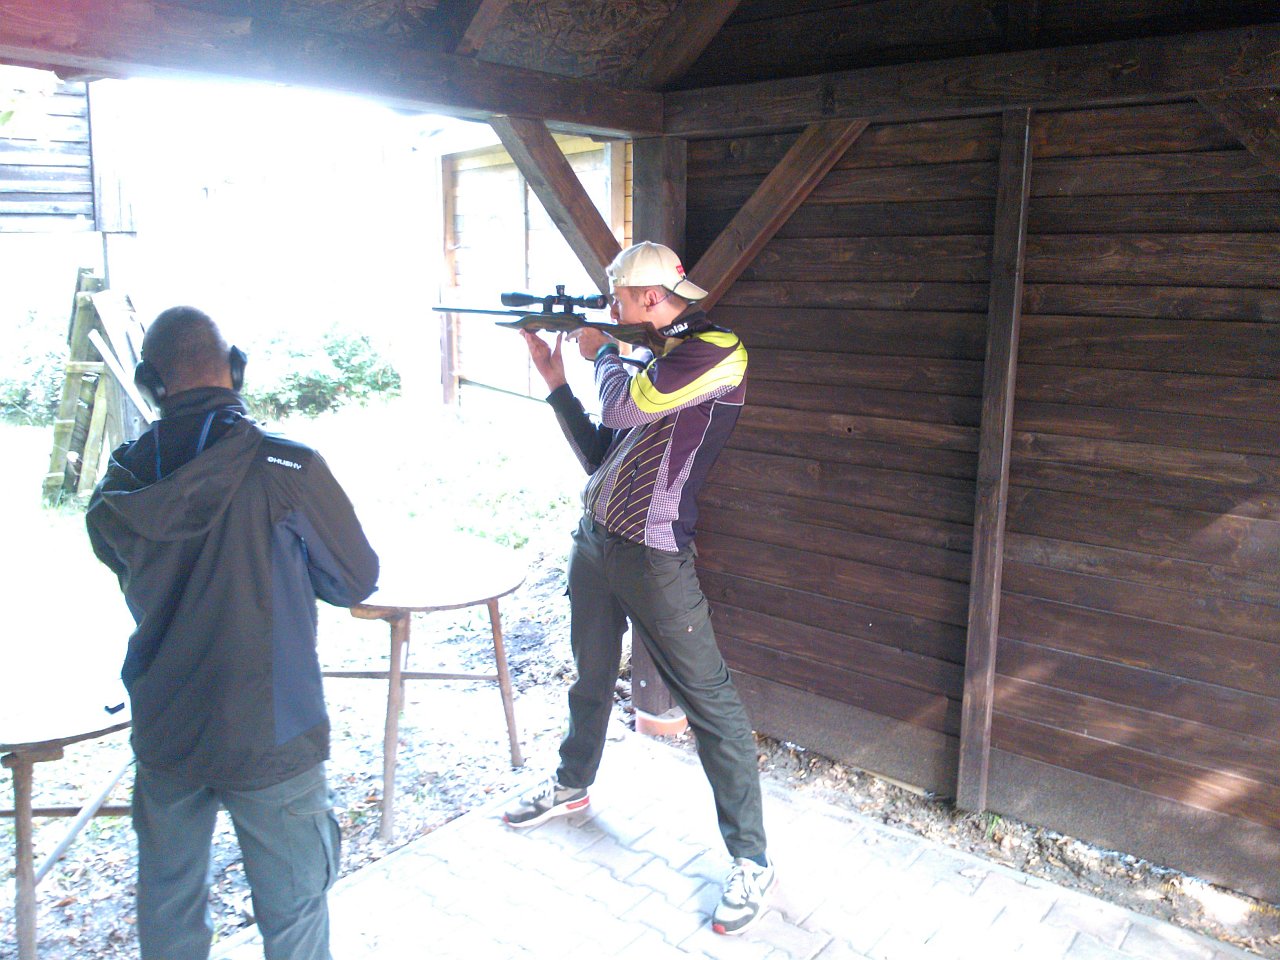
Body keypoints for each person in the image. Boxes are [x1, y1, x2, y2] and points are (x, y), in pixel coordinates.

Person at [86, 306, 379, 960]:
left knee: (169, 907)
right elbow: (355, 580)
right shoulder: (287, 469)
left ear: (150, 384)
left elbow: (121, 559)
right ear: (237, 370)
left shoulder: (120, 489)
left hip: (167, 725)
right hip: (274, 730)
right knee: (295, 917)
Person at [503, 242, 773, 934]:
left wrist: (599, 354)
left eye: (617, 298)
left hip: (654, 555)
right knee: (589, 675)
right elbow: (602, 454)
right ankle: (572, 784)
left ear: (651, 297)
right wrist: (556, 382)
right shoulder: (658, 357)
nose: (609, 308)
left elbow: (626, 406)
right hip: (595, 540)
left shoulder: (714, 350)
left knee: (710, 703)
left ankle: (751, 861)